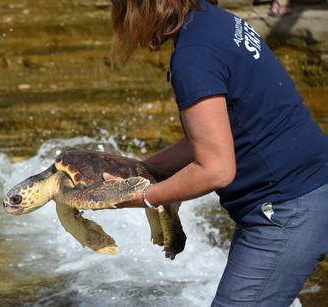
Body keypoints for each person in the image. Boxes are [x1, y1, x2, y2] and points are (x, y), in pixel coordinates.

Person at [104, 0, 328, 306]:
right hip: (311, 184)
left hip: (286, 207)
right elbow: (215, 135)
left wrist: (143, 197)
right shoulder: (214, 21)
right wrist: (139, 170)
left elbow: (217, 169)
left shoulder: (193, 56)